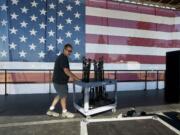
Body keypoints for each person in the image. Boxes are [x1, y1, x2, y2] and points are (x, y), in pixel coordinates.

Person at [46, 44, 80, 118]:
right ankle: (64, 112)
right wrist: (76, 78)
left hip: (57, 81)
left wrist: (71, 77)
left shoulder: (62, 57)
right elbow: (66, 71)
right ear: (64, 50)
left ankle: (50, 110)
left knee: (60, 95)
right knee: (63, 96)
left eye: (71, 51)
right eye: (68, 50)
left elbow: (65, 71)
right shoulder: (63, 58)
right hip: (60, 82)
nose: (70, 52)